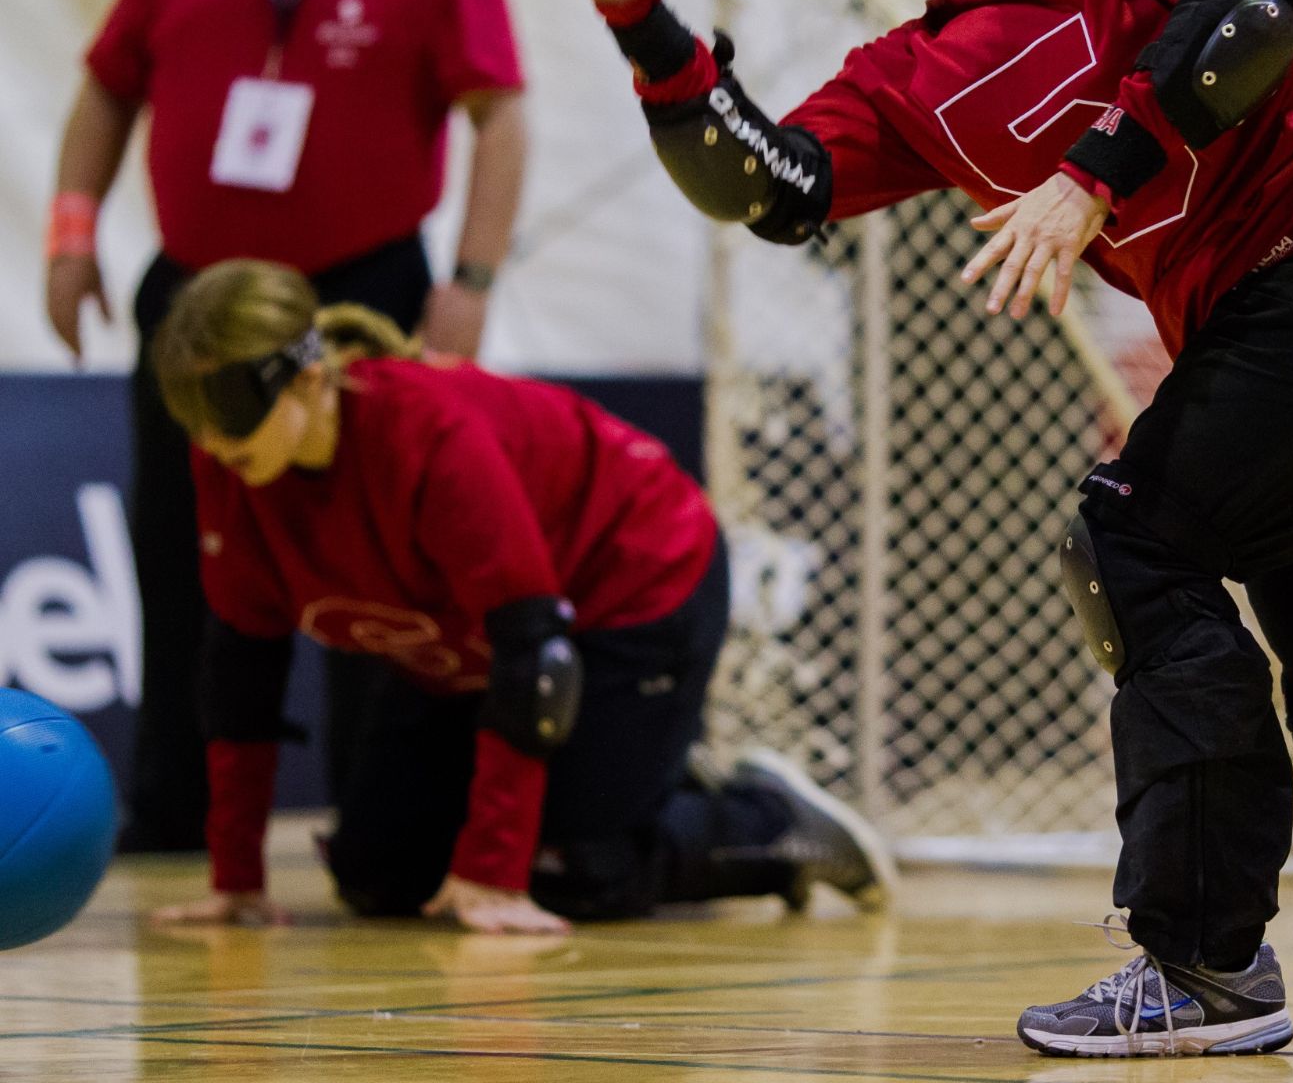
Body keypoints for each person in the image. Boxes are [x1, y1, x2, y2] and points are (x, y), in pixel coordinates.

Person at [556, 0, 1293, 1053]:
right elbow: (770, 188)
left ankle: (1200, 967)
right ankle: (1256, 921)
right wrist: (638, 18)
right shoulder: (910, 78)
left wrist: (1088, 175)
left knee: (1133, 531)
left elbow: (1253, 7)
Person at [45, 0, 529, 852]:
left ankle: (369, 812)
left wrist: (469, 278)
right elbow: (109, 86)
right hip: (199, 298)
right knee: (180, 547)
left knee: (374, 554)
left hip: (357, 295)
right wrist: (72, 235)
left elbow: (500, 113)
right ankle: (174, 800)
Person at [146, 259, 895, 932]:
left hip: (632, 579)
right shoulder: (232, 464)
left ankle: (768, 822)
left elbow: (535, 655)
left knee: (576, 869)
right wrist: (237, 882)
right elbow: (240, 675)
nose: (211, 442)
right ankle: (633, 770)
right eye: (192, 419)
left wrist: (493, 877)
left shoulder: (427, 437)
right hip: (463, 644)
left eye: (228, 414)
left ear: (309, 378)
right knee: (379, 874)